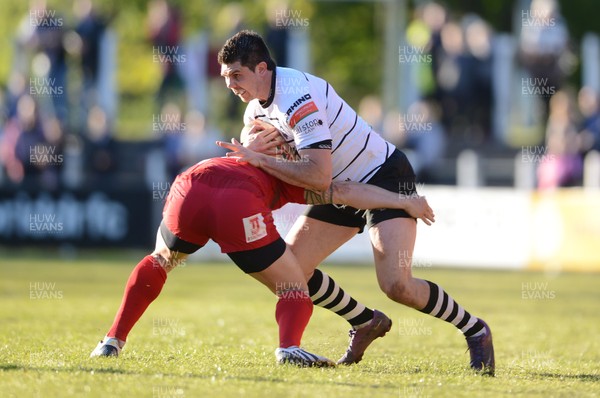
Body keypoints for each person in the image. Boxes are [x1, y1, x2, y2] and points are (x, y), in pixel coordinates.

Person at [217, 30, 494, 375]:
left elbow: (317, 177)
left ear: (261, 68)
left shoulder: (295, 97)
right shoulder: (254, 111)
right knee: (290, 275)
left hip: (383, 175)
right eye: (226, 77)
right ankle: (365, 321)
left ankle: (475, 328)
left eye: (236, 75)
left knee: (397, 285)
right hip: (340, 186)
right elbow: (317, 178)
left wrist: (261, 160)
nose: (230, 85)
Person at [90, 133, 435, 367]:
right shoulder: (298, 171)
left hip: (192, 182)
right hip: (238, 202)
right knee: (294, 283)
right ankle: (289, 348)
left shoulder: (247, 149)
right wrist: (404, 201)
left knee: (160, 260)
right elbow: (345, 192)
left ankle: (111, 341)